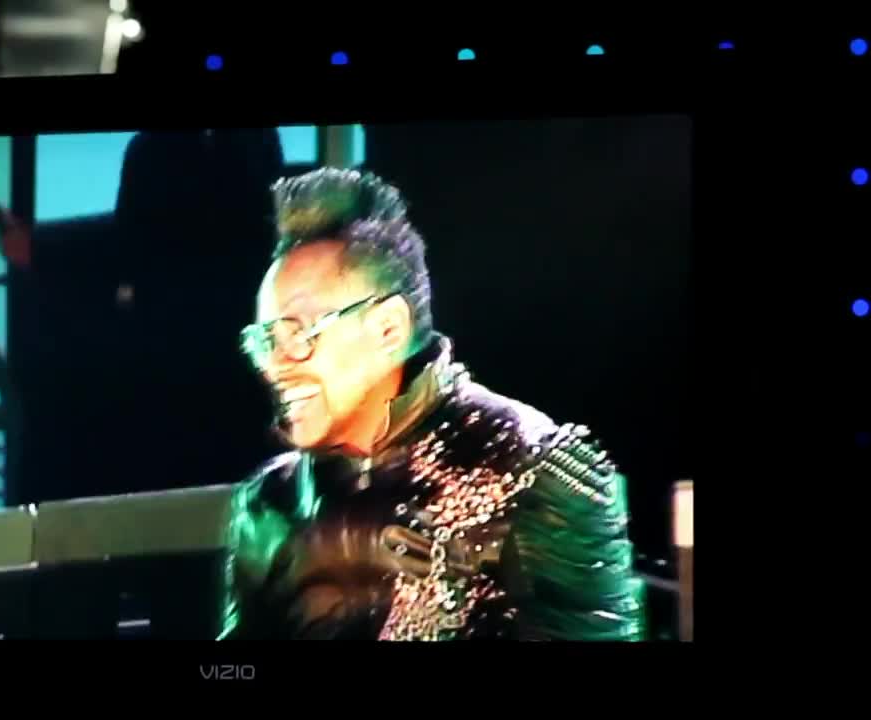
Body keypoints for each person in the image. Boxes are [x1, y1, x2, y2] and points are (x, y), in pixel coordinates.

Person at [217, 168, 645, 640]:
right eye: (265, 341)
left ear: (388, 330)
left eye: (298, 333)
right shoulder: (268, 505)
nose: (275, 366)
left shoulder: (533, 468)